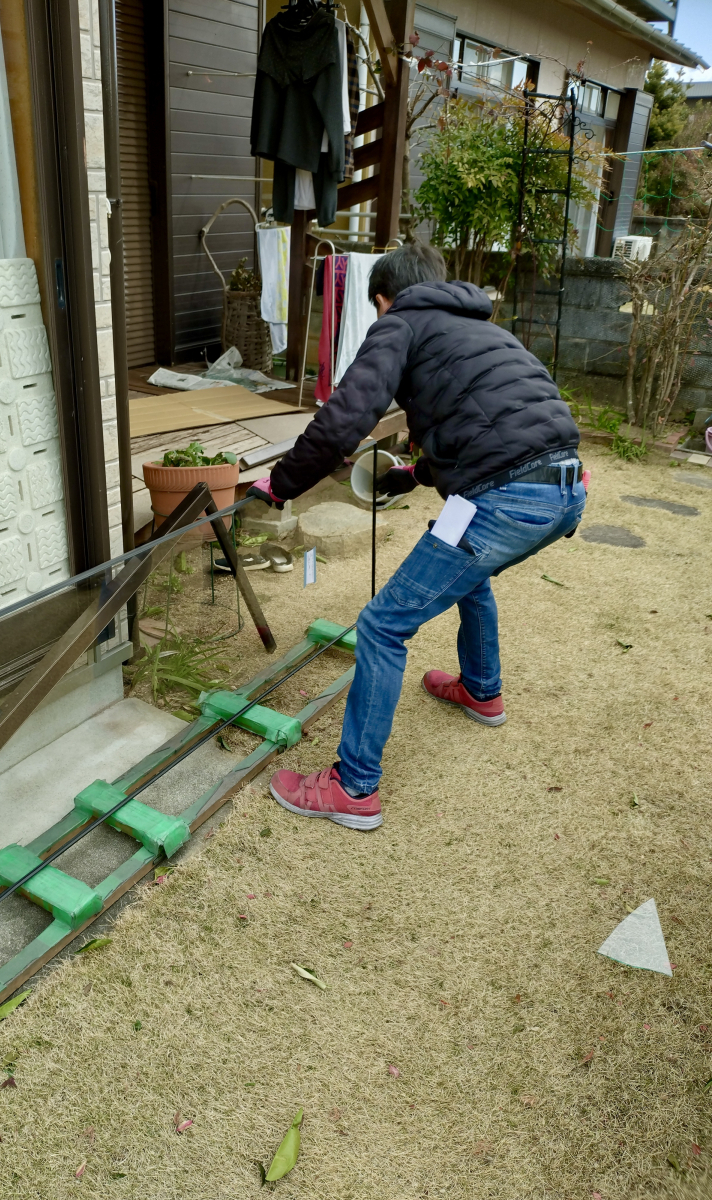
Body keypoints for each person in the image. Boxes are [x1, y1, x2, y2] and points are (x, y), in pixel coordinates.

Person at [247, 242, 586, 831]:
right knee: (465, 571)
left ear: (384, 297)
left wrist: (281, 485)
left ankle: (353, 788)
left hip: (506, 500)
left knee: (382, 625)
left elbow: (343, 419)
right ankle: (482, 691)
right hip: (566, 488)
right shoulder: (487, 331)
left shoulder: (399, 322)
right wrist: (414, 475)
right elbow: (491, 426)